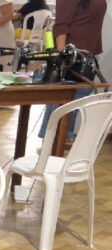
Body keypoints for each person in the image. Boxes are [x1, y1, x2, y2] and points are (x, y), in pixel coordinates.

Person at [37, 0, 106, 143]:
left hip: (87, 54)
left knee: (77, 97)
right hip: (72, 56)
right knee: (65, 97)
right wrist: (63, 58)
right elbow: (61, 25)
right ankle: (57, 137)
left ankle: (62, 135)